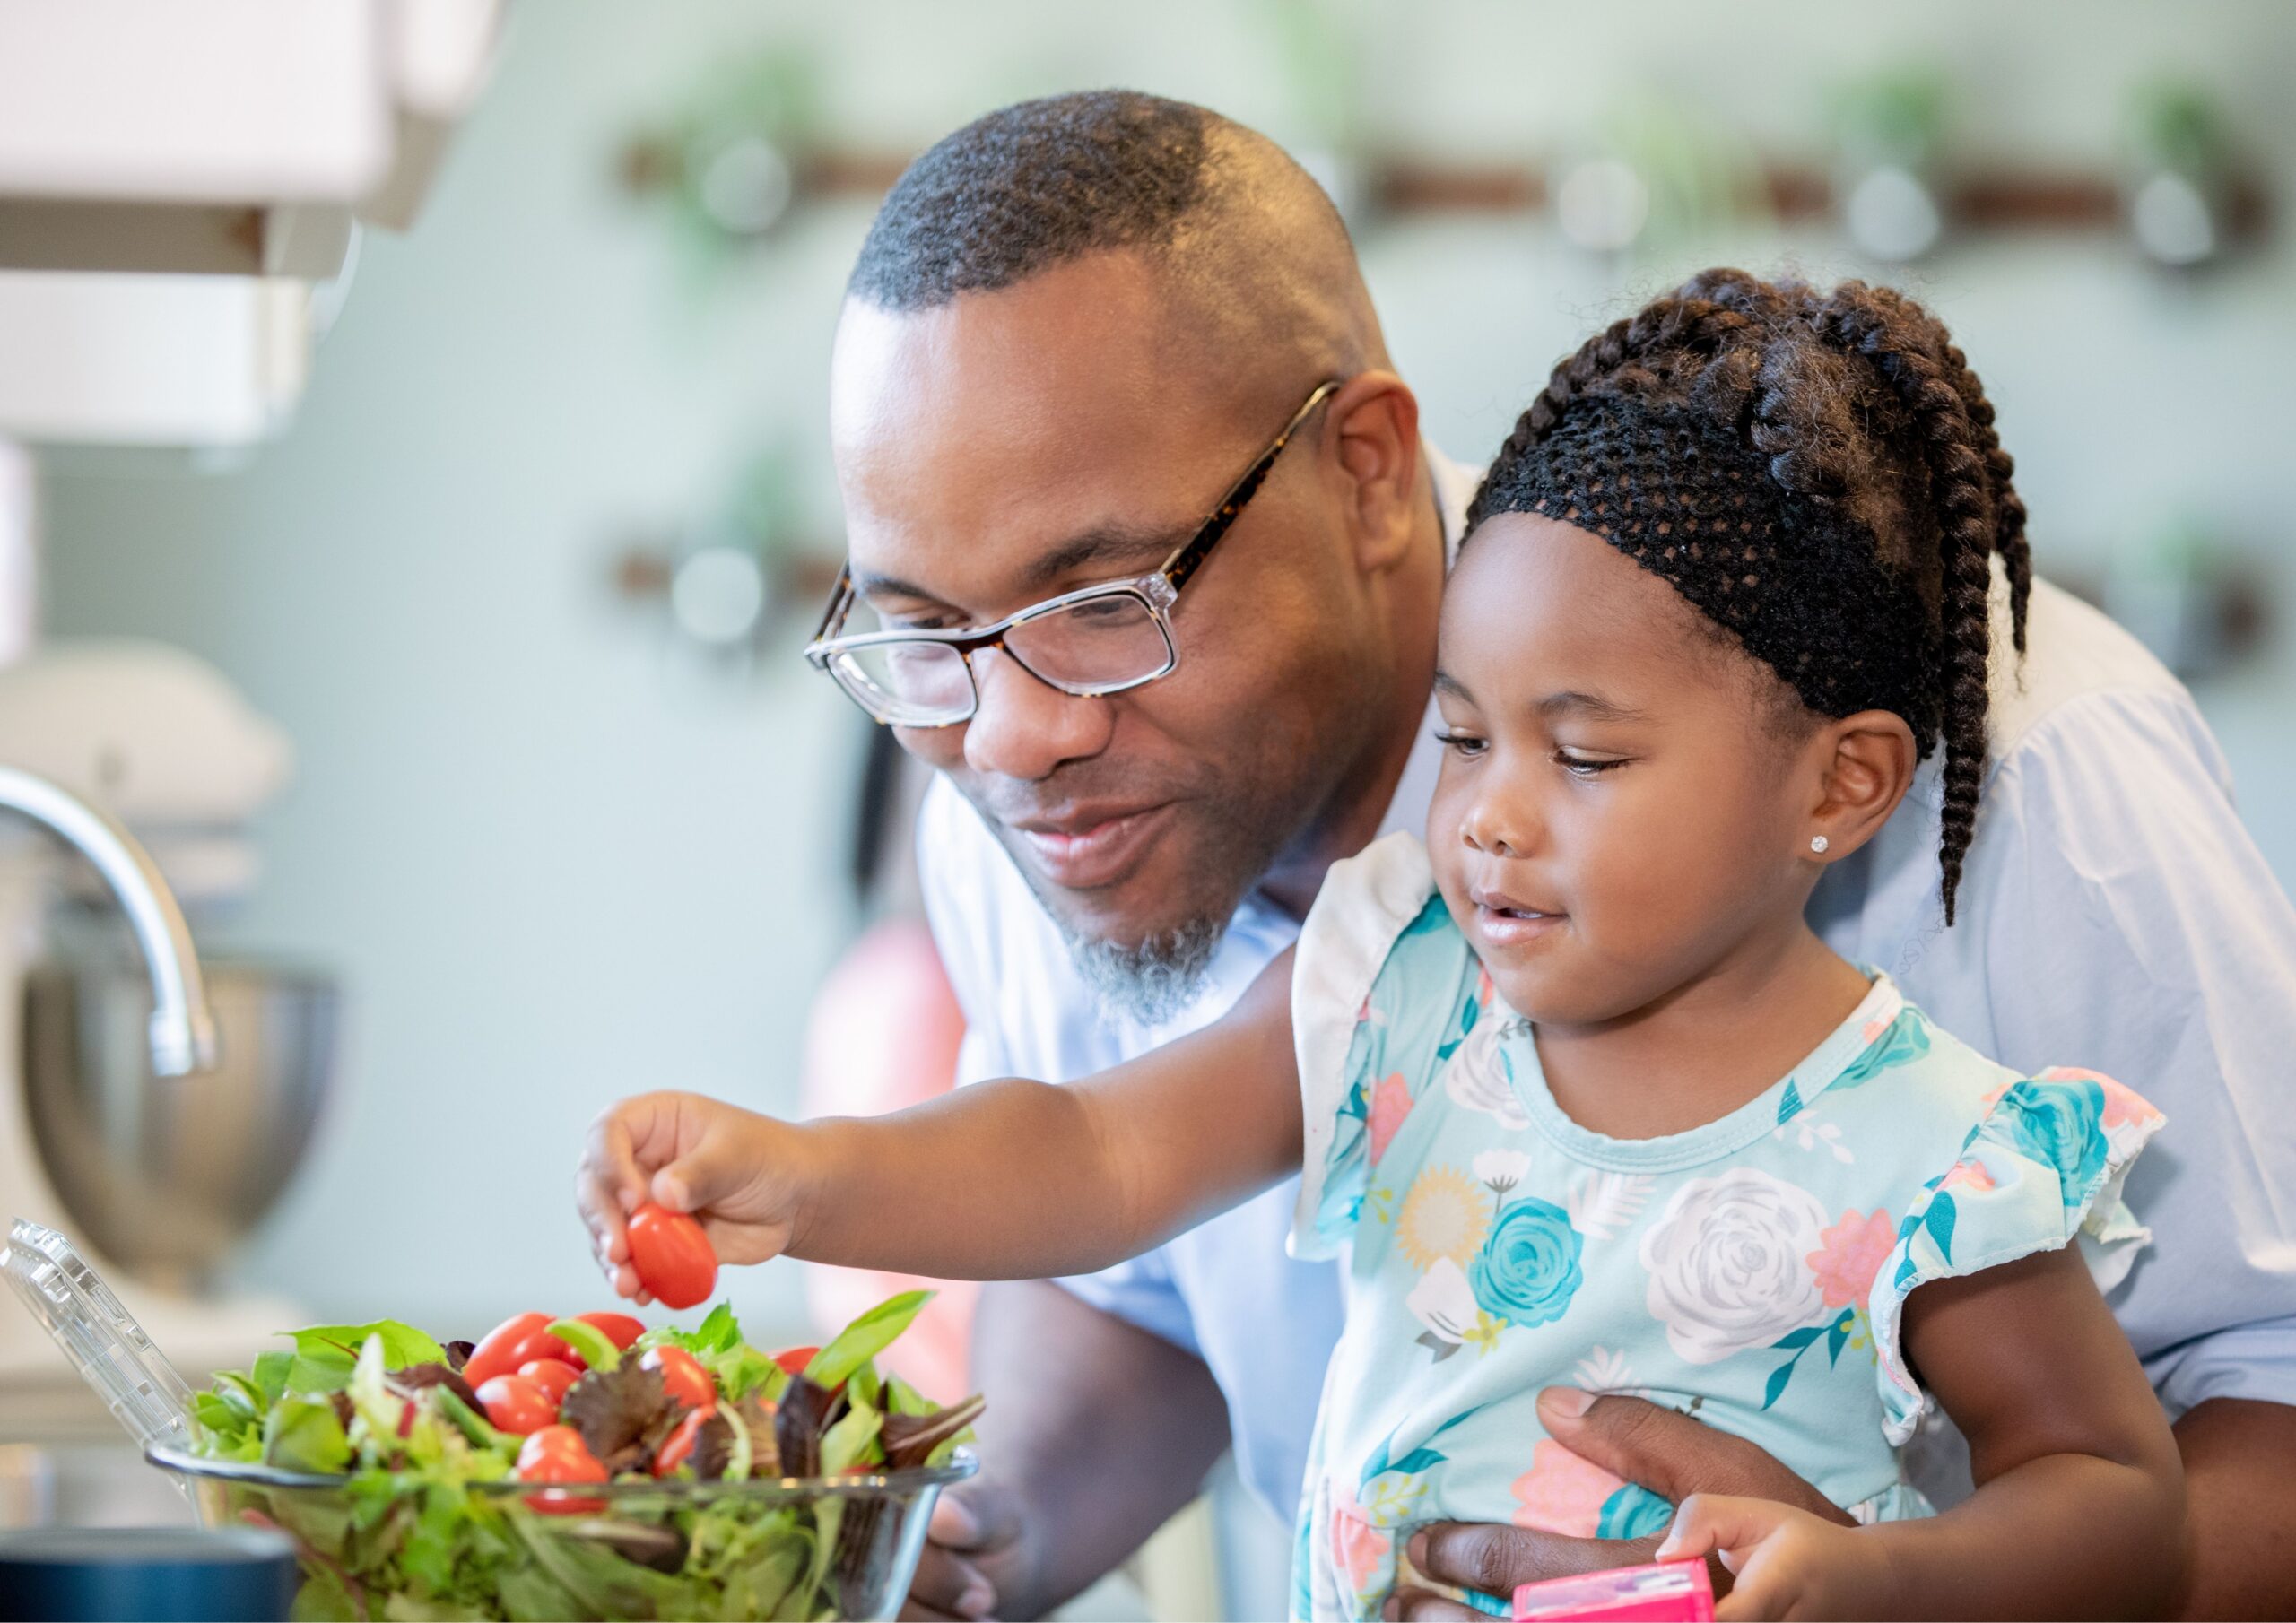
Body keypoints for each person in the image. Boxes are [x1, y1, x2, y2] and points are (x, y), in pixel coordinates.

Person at [587, 93, 2296, 1621]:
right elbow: (1128, 1215)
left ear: (1370, 473)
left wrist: (1899, 1595)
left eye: (1104, 605)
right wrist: (985, 1528)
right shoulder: (1149, 832)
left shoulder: (2031, 795)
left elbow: (2240, 1435)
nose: (1012, 737)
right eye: (925, 630)